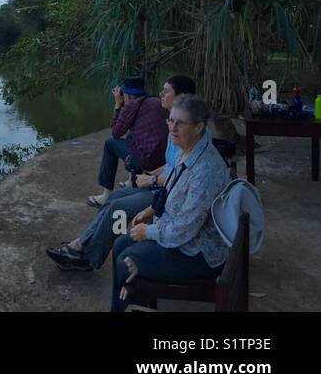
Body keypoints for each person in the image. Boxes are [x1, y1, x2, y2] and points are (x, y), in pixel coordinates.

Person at [47, 75, 200, 271]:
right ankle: (83, 244)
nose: (161, 94)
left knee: (117, 208)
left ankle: (88, 256)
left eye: (166, 90)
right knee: (117, 197)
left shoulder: (185, 129)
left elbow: (183, 175)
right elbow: (174, 163)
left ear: (183, 96)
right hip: (161, 183)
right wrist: (155, 172)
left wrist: (152, 178)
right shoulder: (173, 121)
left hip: (168, 195)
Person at [110, 94, 229, 311]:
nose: (172, 128)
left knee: (125, 261)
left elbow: (184, 229)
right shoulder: (187, 151)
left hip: (198, 254)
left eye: (180, 123)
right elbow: (171, 188)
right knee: (120, 245)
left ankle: (130, 294)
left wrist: (149, 232)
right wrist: (151, 209)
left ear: (199, 127)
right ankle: (127, 295)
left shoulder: (205, 171)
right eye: (170, 121)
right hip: (183, 238)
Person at [87, 75, 168, 207]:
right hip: (164, 161)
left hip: (148, 161)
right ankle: (131, 181)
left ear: (128, 95)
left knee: (110, 144)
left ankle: (106, 196)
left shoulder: (131, 105)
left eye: (123, 94)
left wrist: (118, 105)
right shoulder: (156, 101)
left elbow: (116, 132)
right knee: (132, 135)